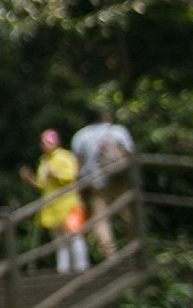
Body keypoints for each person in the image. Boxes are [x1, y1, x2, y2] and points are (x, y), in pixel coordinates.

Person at [70, 106, 134, 259]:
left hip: (96, 184)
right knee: (129, 216)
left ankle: (110, 256)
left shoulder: (80, 136)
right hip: (118, 180)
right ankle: (136, 251)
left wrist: (78, 189)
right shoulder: (118, 131)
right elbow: (131, 155)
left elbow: (77, 167)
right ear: (103, 116)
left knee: (101, 221)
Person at [22, 130, 89, 273]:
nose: (45, 145)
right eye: (43, 142)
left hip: (70, 206)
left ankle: (81, 268)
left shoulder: (65, 157)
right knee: (59, 242)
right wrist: (30, 178)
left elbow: (72, 175)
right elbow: (42, 184)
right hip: (52, 208)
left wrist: (56, 174)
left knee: (75, 237)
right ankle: (63, 271)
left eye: (48, 142)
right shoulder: (44, 161)